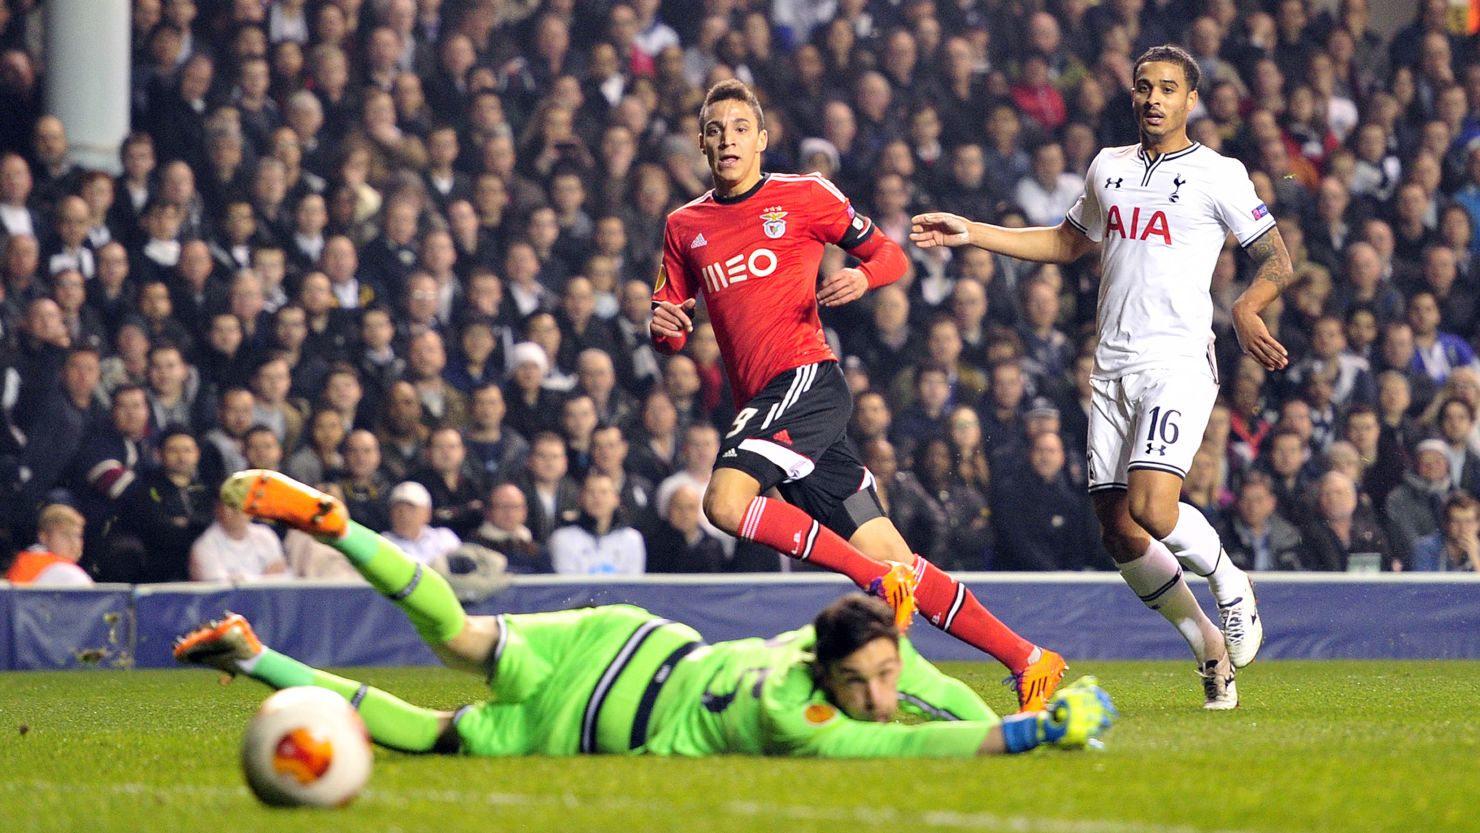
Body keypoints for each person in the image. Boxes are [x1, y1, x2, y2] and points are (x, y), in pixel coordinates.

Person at [176, 469, 1116, 758]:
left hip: (620, 634)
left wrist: (1023, 720)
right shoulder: (803, 716)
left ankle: (335, 538)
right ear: (826, 678)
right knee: (423, 735)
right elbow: (920, 743)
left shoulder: (833, 642)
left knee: (457, 635)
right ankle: (259, 659)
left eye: (882, 675)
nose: (879, 693)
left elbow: (939, 698)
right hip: (591, 718)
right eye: (866, 683)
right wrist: (1038, 734)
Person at [649, 80, 1066, 711]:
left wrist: (862, 277)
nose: (727, 138)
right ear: (702, 143)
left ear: (762, 140)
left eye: (739, 127)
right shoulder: (684, 226)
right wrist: (665, 328)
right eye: (714, 128)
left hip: (806, 382)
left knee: (726, 504)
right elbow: (669, 322)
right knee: (898, 560)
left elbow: (889, 255)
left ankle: (872, 579)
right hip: (766, 407)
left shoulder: (806, 195)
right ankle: (1029, 659)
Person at [912, 45, 1290, 708]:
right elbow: (1066, 242)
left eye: (1167, 88)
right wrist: (971, 231)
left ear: (1190, 99)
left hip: (1175, 362)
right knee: (1119, 530)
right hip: (1110, 364)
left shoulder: (1218, 174)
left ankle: (1232, 585)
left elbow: (1276, 257)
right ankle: (1208, 647)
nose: (1152, 98)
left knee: (1153, 506)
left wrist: (1247, 305)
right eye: (1144, 87)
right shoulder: (1107, 168)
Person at [548, 471, 646, 575]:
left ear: (616, 499)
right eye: (591, 492)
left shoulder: (631, 539)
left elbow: (633, 586)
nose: (597, 497)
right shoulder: (563, 538)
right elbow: (568, 586)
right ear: (580, 499)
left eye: (604, 492)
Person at [189, 499, 288, 582]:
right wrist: (263, 578)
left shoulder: (265, 535)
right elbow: (221, 588)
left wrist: (241, 579)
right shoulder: (205, 546)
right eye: (231, 504)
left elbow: (280, 578)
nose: (237, 510)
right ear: (218, 509)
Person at [4, 504, 93, 587]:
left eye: (77, 536)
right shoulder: (66, 572)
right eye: (65, 535)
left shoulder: (23, 560)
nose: (73, 542)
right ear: (44, 537)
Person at [1411, 492, 1480, 572]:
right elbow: (1423, 584)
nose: (1463, 528)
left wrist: (1475, 557)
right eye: (1456, 521)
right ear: (1446, 524)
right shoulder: (1426, 548)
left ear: (1478, 524)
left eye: (1468, 521)